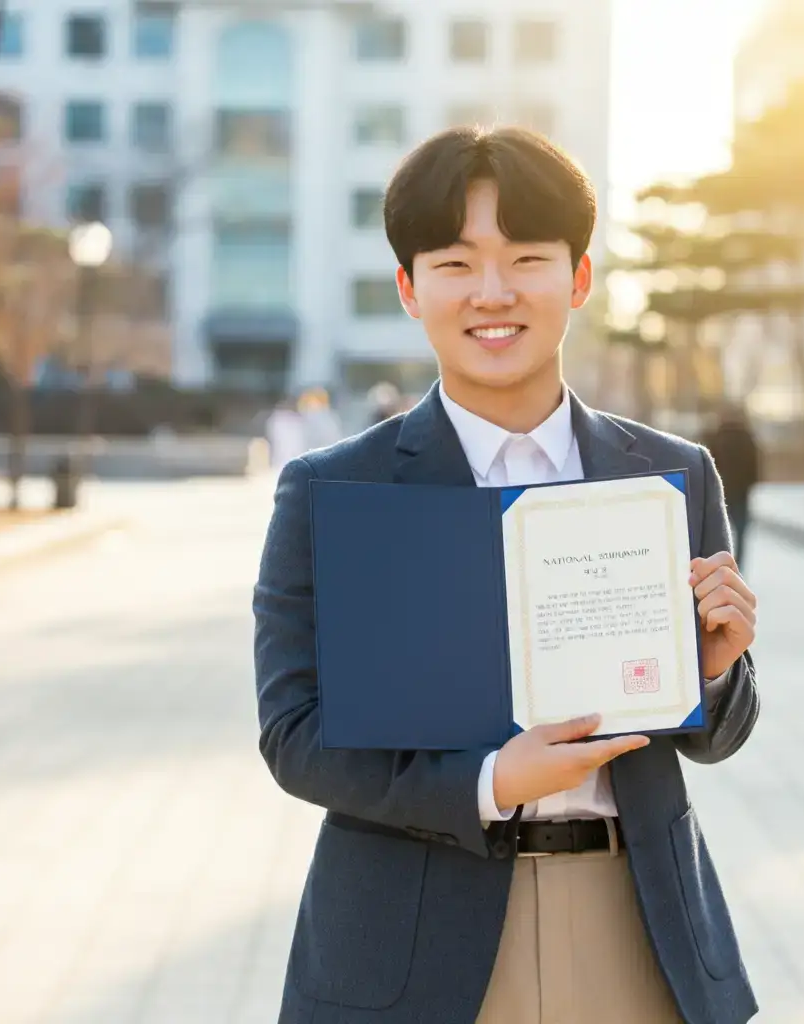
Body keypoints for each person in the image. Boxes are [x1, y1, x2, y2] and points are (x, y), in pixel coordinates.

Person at [254, 127, 760, 1024]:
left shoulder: (668, 476)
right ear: (410, 289)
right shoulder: (333, 490)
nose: (493, 292)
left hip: (634, 921)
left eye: (526, 257)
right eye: (455, 262)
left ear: (578, 280)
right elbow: (295, 735)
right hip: (413, 938)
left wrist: (715, 669)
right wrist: (489, 781)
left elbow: (713, 737)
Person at [704, 402, 762, 571]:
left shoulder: (714, 438)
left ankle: (719, 571)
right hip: (741, 494)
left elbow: (706, 467)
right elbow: (754, 468)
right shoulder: (748, 438)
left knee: (717, 536)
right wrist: (748, 486)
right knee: (741, 534)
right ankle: (738, 570)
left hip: (719, 495)